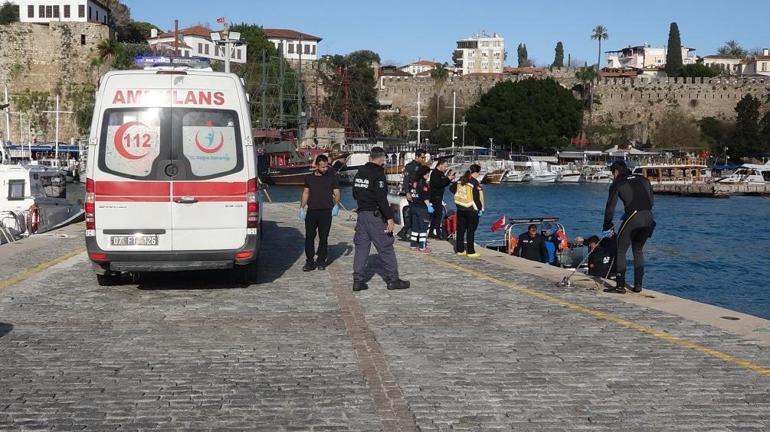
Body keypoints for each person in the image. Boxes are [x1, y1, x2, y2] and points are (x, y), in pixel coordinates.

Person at [351, 147, 410, 292]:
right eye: (383, 160)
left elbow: (354, 193)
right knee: (385, 247)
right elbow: (381, 199)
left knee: (361, 248)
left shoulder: (360, 172)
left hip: (362, 215)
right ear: (381, 159)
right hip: (375, 216)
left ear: (370, 157)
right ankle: (393, 279)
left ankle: (358, 281)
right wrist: (389, 218)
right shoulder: (378, 174)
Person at [603, 160, 655, 294]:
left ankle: (620, 285)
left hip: (633, 217)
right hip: (648, 217)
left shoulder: (617, 183)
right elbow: (651, 201)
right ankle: (638, 285)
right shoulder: (643, 179)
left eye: (612, 173)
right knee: (637, 249)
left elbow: (610, 208)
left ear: (615, 172)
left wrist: (606, 226)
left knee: (620, 249)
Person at [299, 155, 341, 272]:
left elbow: (336, 192)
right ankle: (310, 261)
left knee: (323, 237)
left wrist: (336, 204)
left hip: (326, 212)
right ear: (316, 166)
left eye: (326, 167)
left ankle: (321, 261)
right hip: (311, 212)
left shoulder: (332, 177)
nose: (325, 169)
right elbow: (306, 192)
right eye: (322, 167)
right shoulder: (309, 178)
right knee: (309, 237)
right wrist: (302, 208)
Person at [450, 164, 484, 257]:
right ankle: (471, 251)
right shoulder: (474, 182)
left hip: (461, 208)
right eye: (478, 173)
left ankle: (460, 250)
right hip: (471, 209)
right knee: (471, 231)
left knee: (461, 230)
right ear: (476, 172)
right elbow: (477, 198)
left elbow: (451, 189)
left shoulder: (461, 179)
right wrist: (480, 209)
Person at [397, 149, 427, 241]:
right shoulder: (410, 166)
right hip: (412, 193)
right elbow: (406, 181)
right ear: (416, 157)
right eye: (422, 157)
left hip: (419, 193)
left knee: (417, 213)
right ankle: (405, 231)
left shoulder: (422, 166)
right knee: (415, 212)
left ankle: (411, 232)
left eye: (424, 157)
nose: (423, 159)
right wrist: (407, 193)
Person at [428, 158, 455, 239]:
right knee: (438, 215)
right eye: (445, 166)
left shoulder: (441, 173)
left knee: (435, 215)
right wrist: (447, 179)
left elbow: (443, 184)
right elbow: (438, 184)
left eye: (447, 166)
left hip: (439, 196)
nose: (446, 168)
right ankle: (438, 233)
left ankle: (431, 232)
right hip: (434, 196)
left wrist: (449, 180)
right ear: (440, 165)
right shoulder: (435, 173)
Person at [408, 165, 433, 252]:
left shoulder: (414, 183)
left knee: (415, 227)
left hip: (414, 206)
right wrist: (429, 206)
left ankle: (413, 245)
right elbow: (425, 197)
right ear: (423, 174)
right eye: (427, 174)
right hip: (422, 208)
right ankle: (422, 247)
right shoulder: (424, 184)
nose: (428, 175)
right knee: (423, 228)